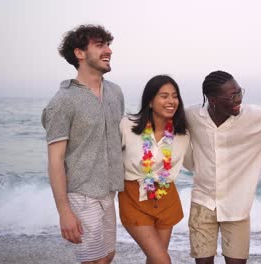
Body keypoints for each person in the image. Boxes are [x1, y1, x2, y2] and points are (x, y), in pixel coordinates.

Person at [184, 70, 261, 264]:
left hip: (237, 206)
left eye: (240, 92)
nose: (238, 99)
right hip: (202, 202)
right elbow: (164, 123)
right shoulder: (192, 115)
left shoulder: (256, 117)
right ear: (212, 100)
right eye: (232, 95)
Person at [41, 25, 124, 264]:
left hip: (109, 192)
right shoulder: (63, 101)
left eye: (108, 45)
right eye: (100, 45)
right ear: (79, 53)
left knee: (107, 256)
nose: (108, 50)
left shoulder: (115, 92)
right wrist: (64, 212)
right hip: (81, 193)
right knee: (95, 260)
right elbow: (55, 160)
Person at [118, 75, 189, 263]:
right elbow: (109, 159)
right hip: (134, 199)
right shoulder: (128, 125)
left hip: (166, 199)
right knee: (162, 260)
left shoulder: (183, 133)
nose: (171, 101)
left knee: (155, 259)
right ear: (150, 101)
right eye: (164, 96)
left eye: (175, 96)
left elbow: (196, 162)